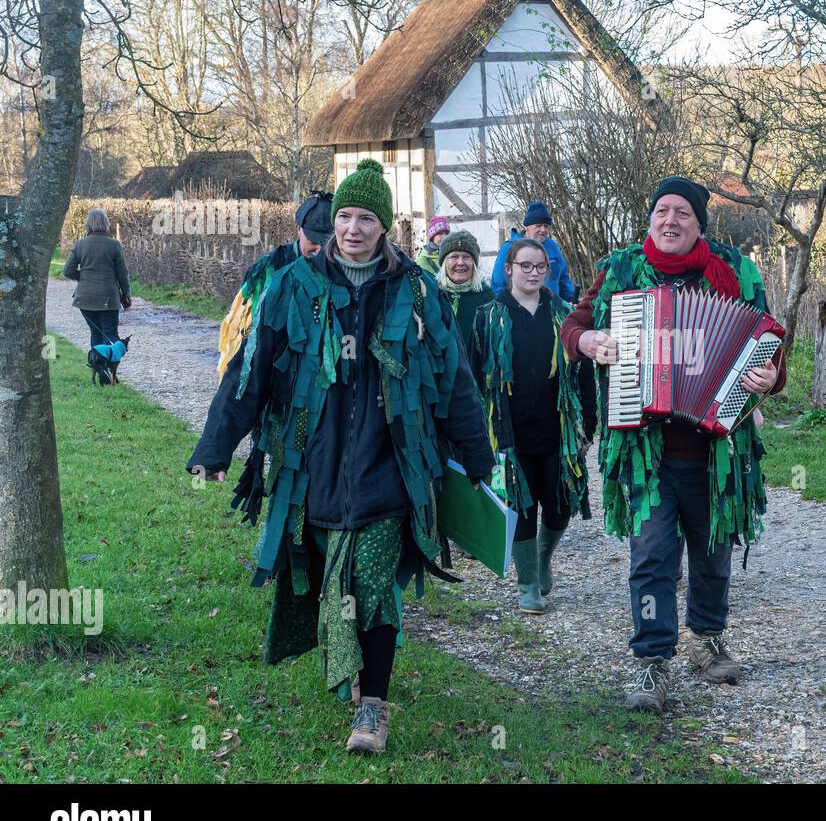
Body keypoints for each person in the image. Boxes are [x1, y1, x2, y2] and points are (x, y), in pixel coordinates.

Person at [187, 158, 495, 754]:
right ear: (334, 222)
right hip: (314, 464)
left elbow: (453, 377)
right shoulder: (293, 286)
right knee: (336, 585)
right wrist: (216, 446)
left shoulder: (415, 290)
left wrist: (477, 457)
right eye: (345, 217)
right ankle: (352, 674)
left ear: (384, 226)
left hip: (390, 463)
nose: (352, 228)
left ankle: (374, 708)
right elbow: (248, 376)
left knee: (375, 582)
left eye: (366, 218)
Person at [560, 176, 785, 714]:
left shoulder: (734, 272)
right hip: (647, 450)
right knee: (652, 555)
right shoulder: (620, 271)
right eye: (662, 210)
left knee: (714, 552)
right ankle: (651, 659)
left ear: (698, 223)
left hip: (716, 450)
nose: (670, 221)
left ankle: (706, 639)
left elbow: (771, 343)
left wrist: (768, 377)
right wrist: (588, 341)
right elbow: (572, 325)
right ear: (651, 218)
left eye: (682, 213)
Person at [469, 238, 596, 614]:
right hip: (510, 433)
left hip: (558, 431)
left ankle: (542, 560)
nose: (533, 273)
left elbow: (584, 370)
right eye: (525, 265)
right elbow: (475, 379)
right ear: (508, 269)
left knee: (559, 506)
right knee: (522, 507)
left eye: (540, 266)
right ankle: (527, 585)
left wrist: (588, 422)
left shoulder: (565, 316)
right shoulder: (487, 317)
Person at [417, 229, 496, 569]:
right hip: (440, 394)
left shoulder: (488, 300)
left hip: (478, 395)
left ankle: (475, 531)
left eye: (466, 258)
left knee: (475, 464)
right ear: (443, 261)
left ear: (475, 264)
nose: (460, 262)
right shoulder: (430, 297)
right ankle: (441, 529)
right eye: (454, 257)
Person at [216, 191, 331, 381]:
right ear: (298, 231)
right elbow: (246, 332)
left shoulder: (343, 272)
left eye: (326, 244)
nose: (318, 250)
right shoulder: (270, 269)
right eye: (312, 242)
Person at [64, 207, 131, 381]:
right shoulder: (114, 245)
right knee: (109, 334)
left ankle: (99, 369)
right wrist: (126, 294)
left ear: (88, 224)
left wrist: (84, 278)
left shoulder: (80, 244)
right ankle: (108, 371)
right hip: (109, 297)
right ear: (106, 224)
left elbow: (68, 270)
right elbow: (122, 274)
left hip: (84, 299)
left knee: (95, 333)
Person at [490, 201, 577, 302]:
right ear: (526, 226)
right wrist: (504, 309)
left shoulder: (553, 247)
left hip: (552, 310)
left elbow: (563, 278)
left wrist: (570, 298)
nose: (543, 229)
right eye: (538, 225)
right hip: (520, 310)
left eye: (546, 226)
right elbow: (498, 284)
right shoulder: (510, 248)